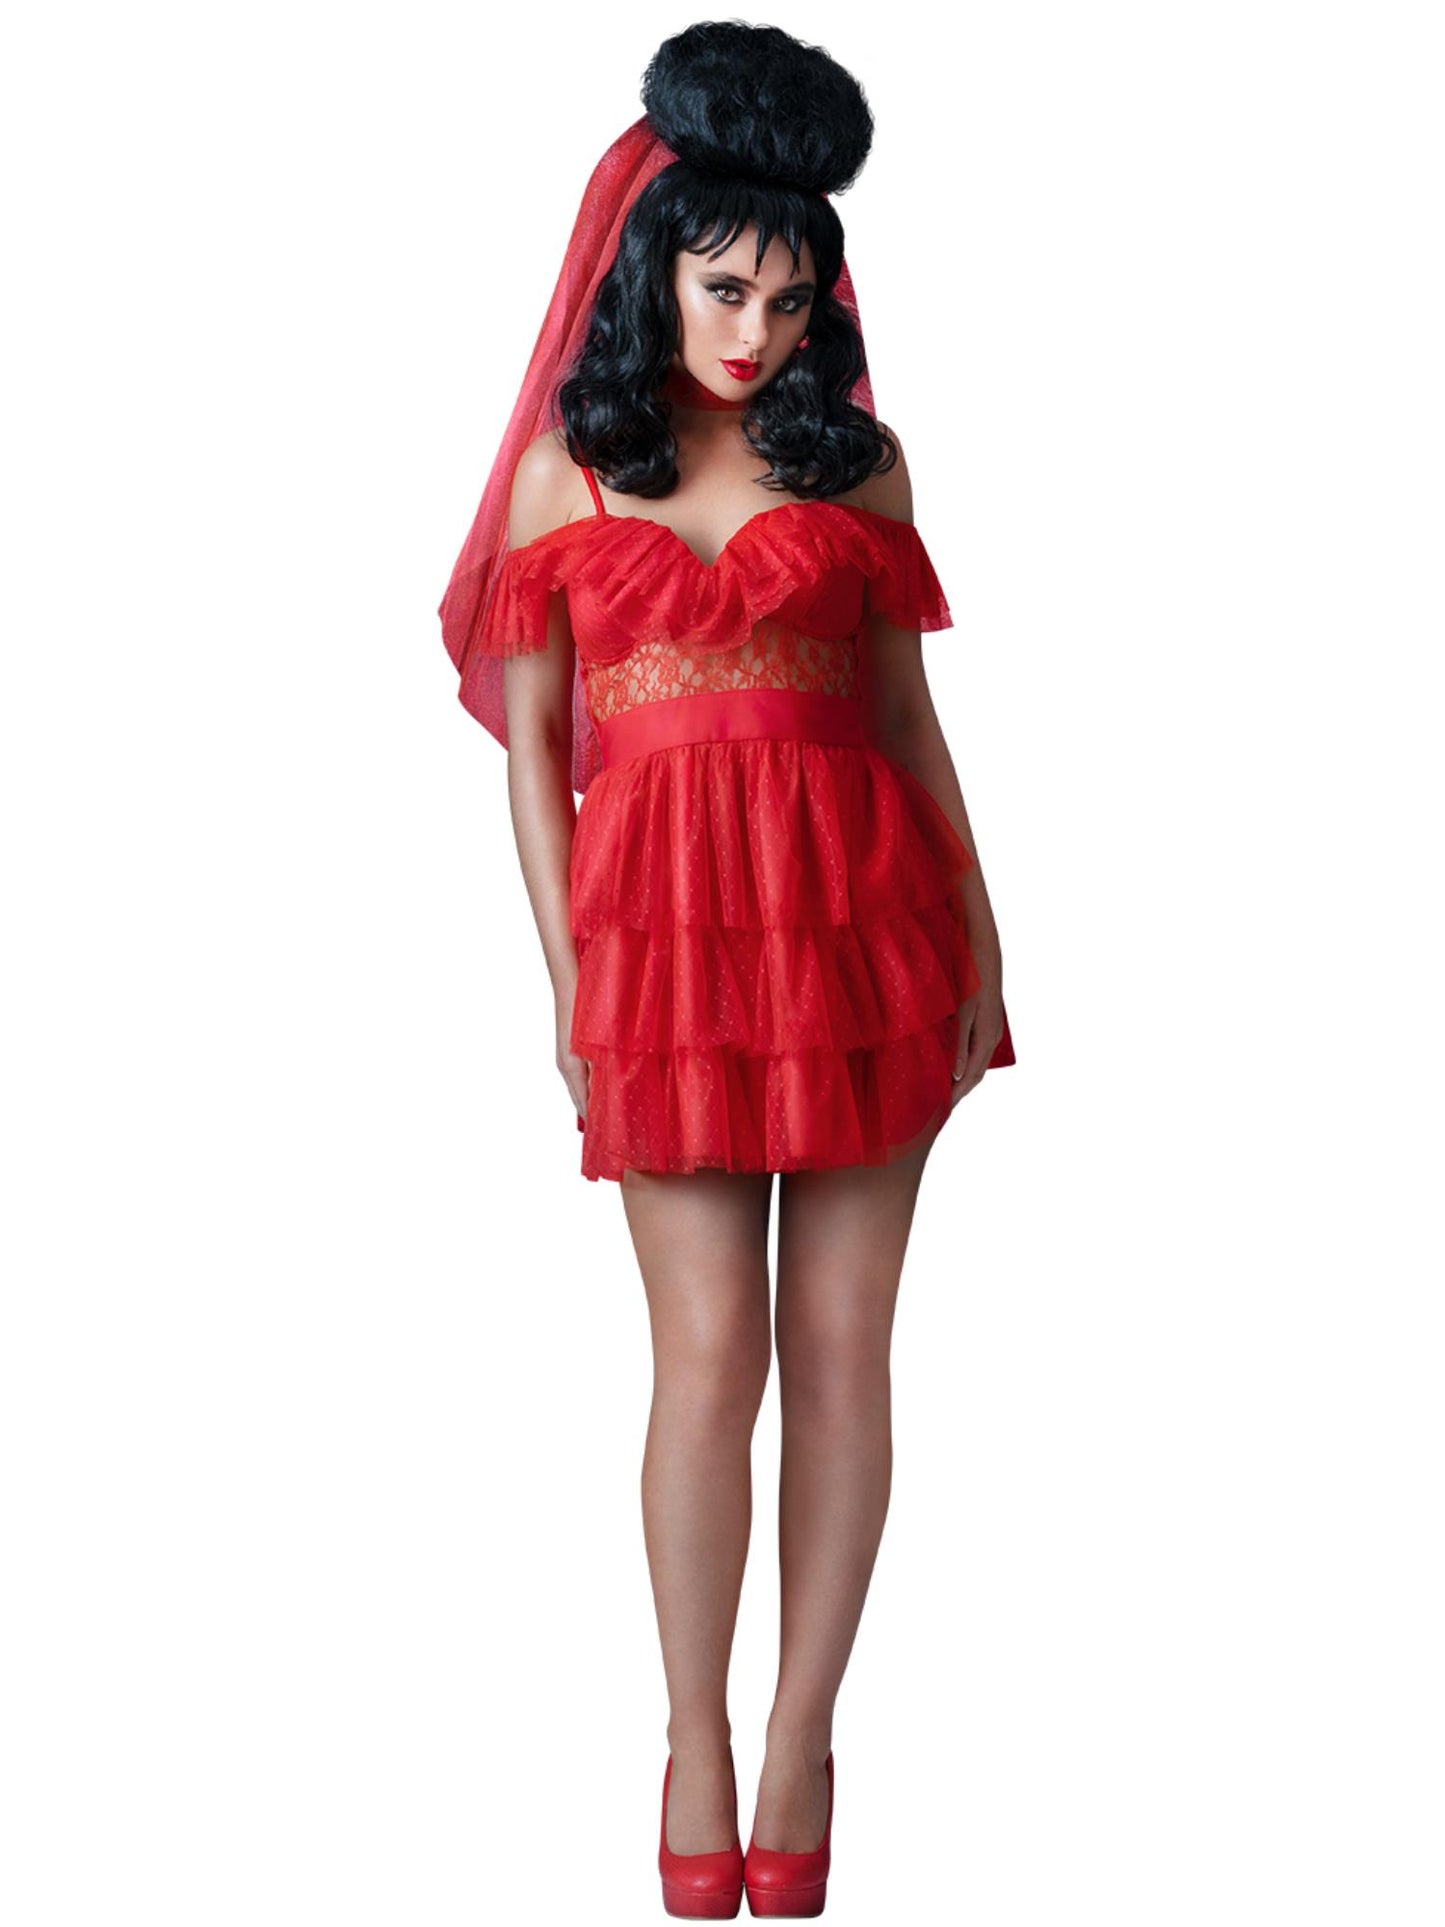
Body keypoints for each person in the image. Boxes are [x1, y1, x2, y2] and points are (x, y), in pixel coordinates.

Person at [438, 22, 1016, 1917]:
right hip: (667, 960)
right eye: (719, 291)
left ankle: (799, 1737)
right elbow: (535, 750)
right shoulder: (568, 477)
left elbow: (908, 719)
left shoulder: (860, 470)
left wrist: (982, 936)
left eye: (785, 297)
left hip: (866, 933)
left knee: (846, 1350)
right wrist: (568, 989)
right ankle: (689, 1732)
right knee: (708, 1359)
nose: (753, 332)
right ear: (653, 273)